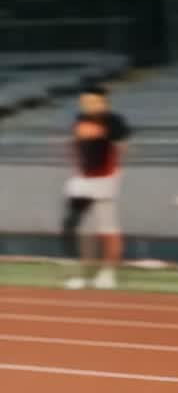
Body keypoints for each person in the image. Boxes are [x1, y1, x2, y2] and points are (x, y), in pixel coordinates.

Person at [62, 85, 131, 290]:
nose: (87, 105)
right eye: (84, 101)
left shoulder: (114, 122)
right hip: (83, 180)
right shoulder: (80, 119)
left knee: (108, 228)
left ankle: (108, 273)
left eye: (92, 101)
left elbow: (123, 149)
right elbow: (76, 147)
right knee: (71, 225)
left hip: (105, 180)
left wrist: (115, 174)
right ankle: (78, 273)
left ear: (103, 101)